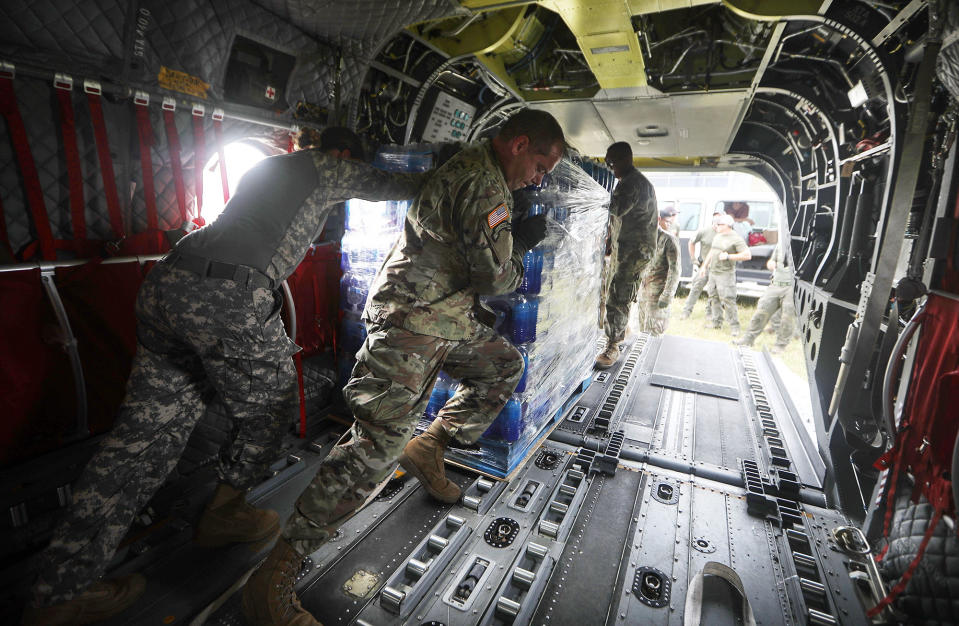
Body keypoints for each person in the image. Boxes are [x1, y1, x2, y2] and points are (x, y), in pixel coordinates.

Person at [22, 127, 427, 625]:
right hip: (226, 298)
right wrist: (456, 170)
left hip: (168, 284)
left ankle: (60, 591)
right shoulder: (324, 166)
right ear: (342, 152)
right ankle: (224, 514)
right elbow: (395, 184)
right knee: (273, 405)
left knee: (140, 442)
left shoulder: (264, 168)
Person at [241, 109, 567, 625]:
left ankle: (430, 445)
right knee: (374, 447)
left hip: (446, 320)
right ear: (519, 143)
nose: (539, 177)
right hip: (412, 323)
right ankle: (273, 578)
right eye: (540, 164)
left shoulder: (482, 175)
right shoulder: (482, 186)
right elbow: (495, 279)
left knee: (502, 367)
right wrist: (522, 242)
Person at [594, 142, 659, 369]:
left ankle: (612, 345)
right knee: (620, 288)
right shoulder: (631, 181)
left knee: (618, 294)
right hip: (629, 247)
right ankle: (621, 329)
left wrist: (590, 194)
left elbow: (613, 208)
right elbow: (621, 218)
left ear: (624, 159)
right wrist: (611, 240)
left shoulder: (633, 183)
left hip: (635, 250)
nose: (610, 168)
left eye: (611, 163)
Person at [734, 243, 795, 353]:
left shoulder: (802, 245)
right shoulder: (781, 244)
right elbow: (770, 262)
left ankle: (780, 345)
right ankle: (748, 339)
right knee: (761, 311)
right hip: (776, 284)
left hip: (791, 287)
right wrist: (771, 264)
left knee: (787, 318)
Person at [703, 213, 751, 335]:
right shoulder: (718, 235)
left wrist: (729, 256)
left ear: (728, 225)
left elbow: (747, 255)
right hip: (713, 273)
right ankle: (716, 322)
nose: (717, 225)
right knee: (713, 297)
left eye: (720, 224)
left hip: (725, 274)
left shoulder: (736, 238)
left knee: (728, 300)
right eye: (716, 223)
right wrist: (704, 266)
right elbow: (712, 251)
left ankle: (734, 326)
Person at [637, 207, 681, 336]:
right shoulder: (642, 238)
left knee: (654, 331)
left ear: (658, 219)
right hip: (642, 292)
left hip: (658, 293)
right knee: (641, 330)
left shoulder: (669, 240)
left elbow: (675, 270)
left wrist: (667, 295)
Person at [680, 210, 723, 320]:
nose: (717, 222)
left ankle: (709, 313)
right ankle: (686, 312)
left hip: (718, 268)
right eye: (716, 218)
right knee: (695, 289)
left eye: (720, 219)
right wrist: (693, 258)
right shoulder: (704, 231)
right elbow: (691, 242)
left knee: (713, 292)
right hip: (704, 267)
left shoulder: (725, 232)